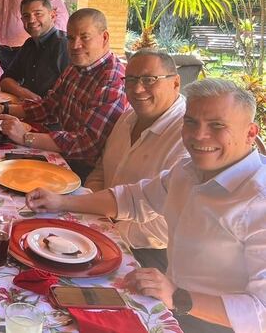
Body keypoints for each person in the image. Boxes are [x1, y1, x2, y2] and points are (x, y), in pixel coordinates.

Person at [26, 79, 266, 333]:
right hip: (168, 303)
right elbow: (133, 198)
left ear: (250, 133)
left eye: (217, 125)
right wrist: (62, 201)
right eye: (191, 122)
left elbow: (261, 311)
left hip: (211, 324)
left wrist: (178, 297)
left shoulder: (259, 202)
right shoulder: (188, 170)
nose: (198, 135)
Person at [0, 8, 127, 176]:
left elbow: (87, 144)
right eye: (71, 38)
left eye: (84, 37)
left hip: (86, 172)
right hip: (62, 156)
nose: (75, 45)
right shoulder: (75, 67)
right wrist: (2, 109)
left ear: (105, 37)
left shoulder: (112, 80)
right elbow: (48, 107)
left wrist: (26, 137)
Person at [85, 48, 187, 270]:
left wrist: (109, 230)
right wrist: (89, 206)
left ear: (176, 83)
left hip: (148, 255)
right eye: (130, 80)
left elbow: (169, 226)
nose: (137, 89)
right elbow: (101, 169)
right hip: (100, 228)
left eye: (149, 80)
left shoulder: (189, 135)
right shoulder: (128, 117)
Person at [0, 0, 69, 100]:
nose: (31, 20)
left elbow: (69, 92)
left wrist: (37, 103)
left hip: (50, 113)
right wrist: (27, 95)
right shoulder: (29, 44)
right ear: (22, 20)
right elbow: (5, 80)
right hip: (27, 109)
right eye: (26, 16)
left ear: (53, 15)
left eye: (38, 14)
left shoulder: (64, 45)